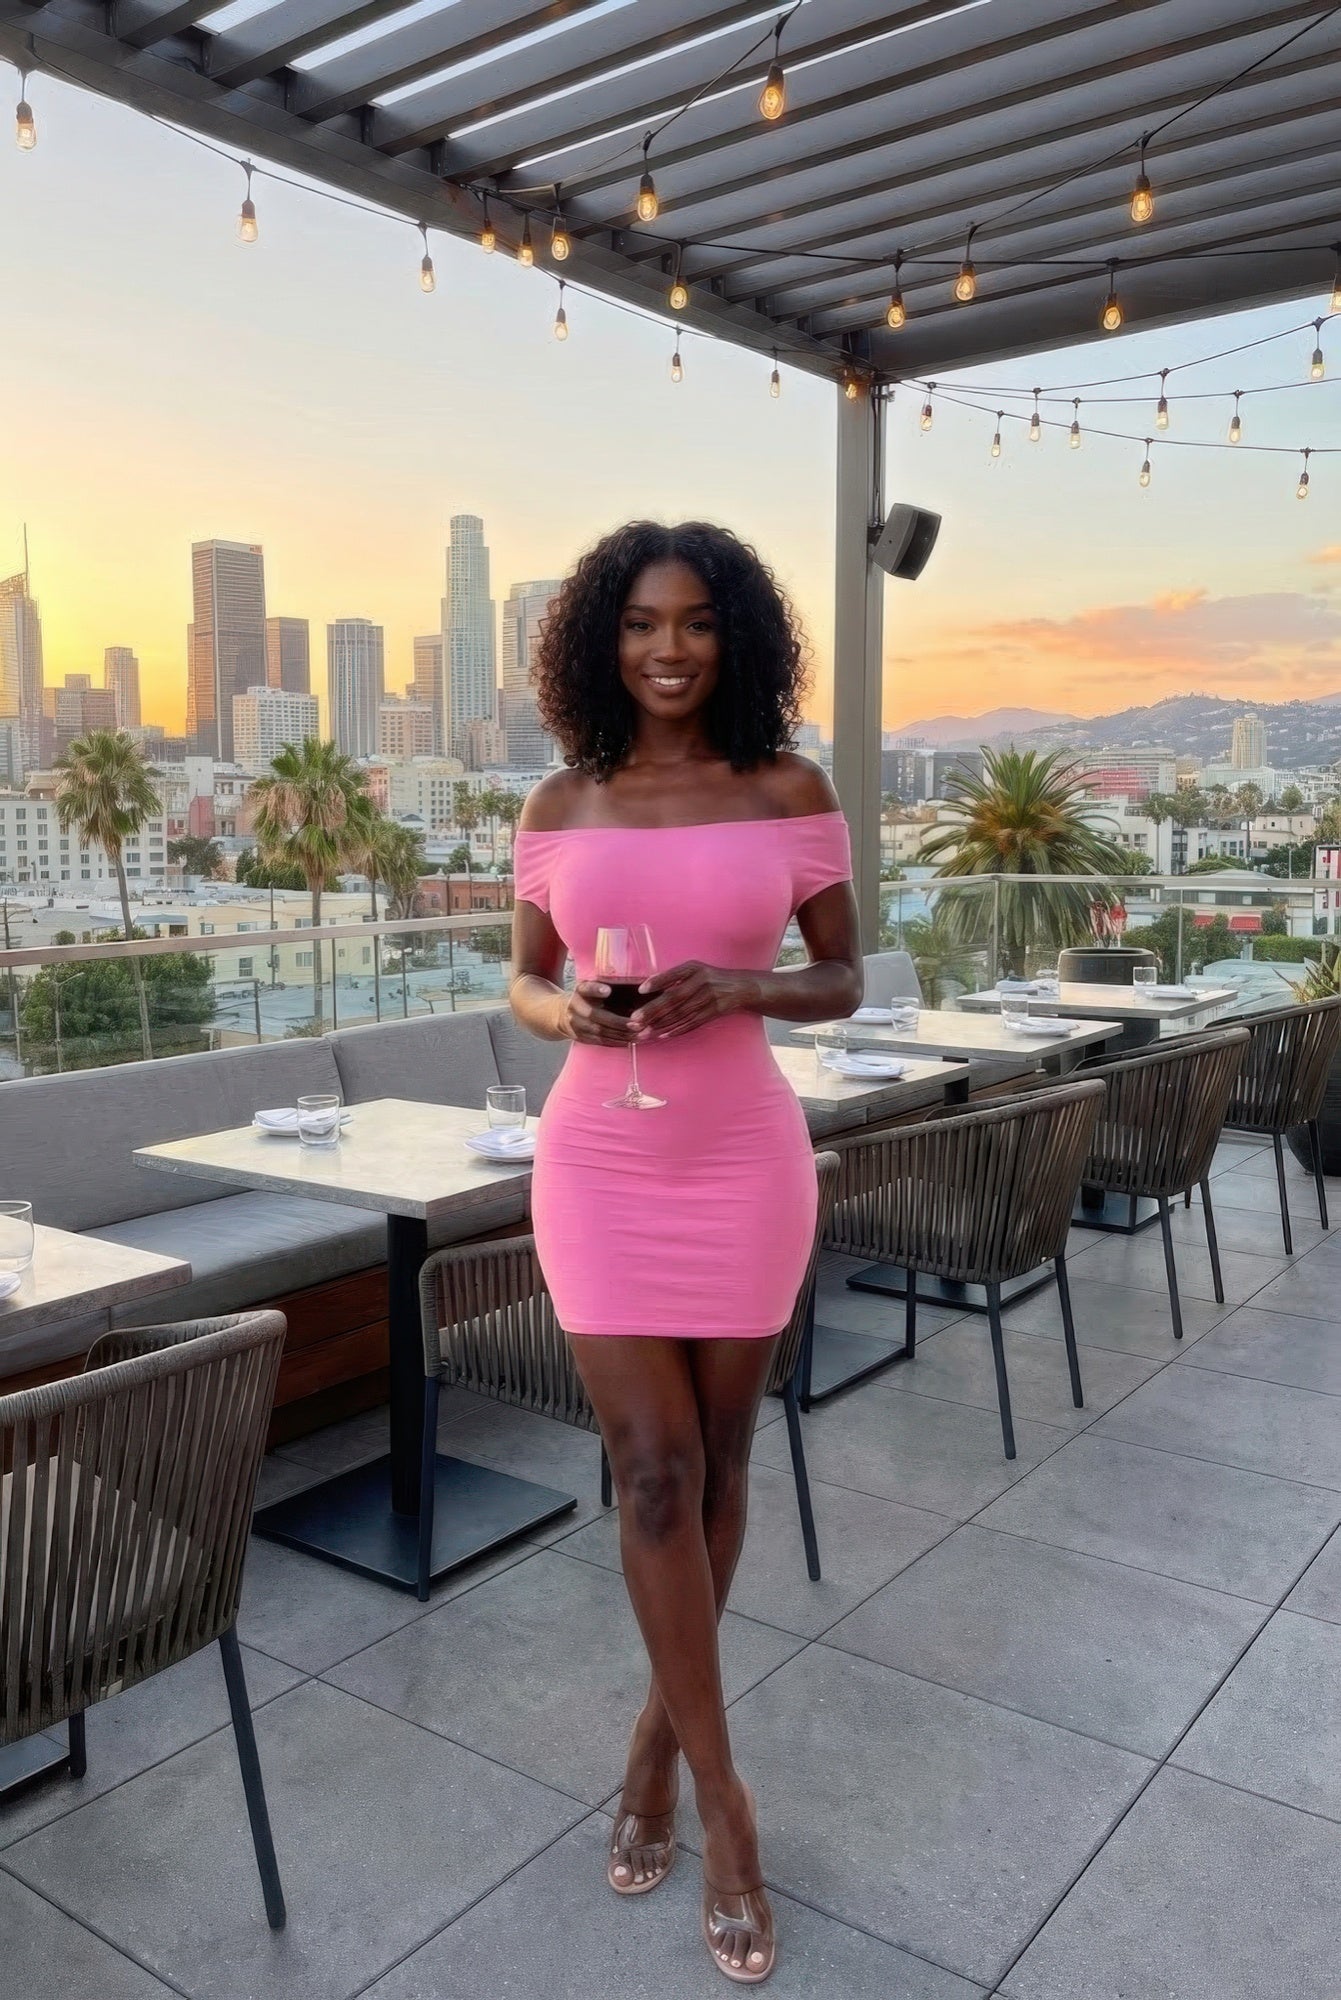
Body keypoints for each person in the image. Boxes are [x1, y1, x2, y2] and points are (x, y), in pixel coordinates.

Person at [508, 520, 862, 1985]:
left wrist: (747, 988)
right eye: (643, 623)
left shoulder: (789, 789)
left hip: (739, 1162)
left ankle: (655, 1745)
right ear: (603, 639)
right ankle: (725, 1806)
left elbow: (841, 976)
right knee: (649, 1470)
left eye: (698, 623)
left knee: (717, 1468)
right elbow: (525, 983)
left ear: (738, 640)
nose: (669, 648)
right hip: (597, 1160)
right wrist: (571, 1017)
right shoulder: (558, 798)